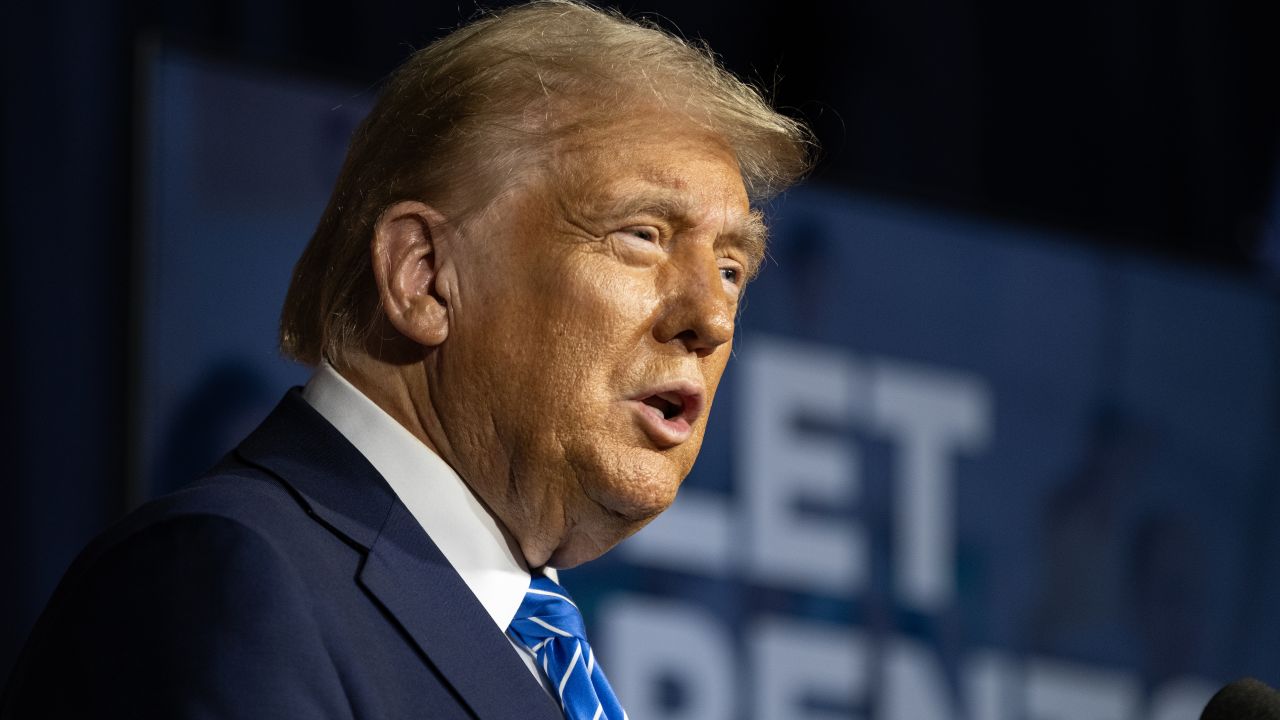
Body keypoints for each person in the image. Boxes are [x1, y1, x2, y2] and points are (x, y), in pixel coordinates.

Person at [2, 1, 811, 718]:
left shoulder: (541, 656)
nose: (710, 316)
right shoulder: (231, 584)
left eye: (734, 269)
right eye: (643, 235)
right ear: (423, 276)